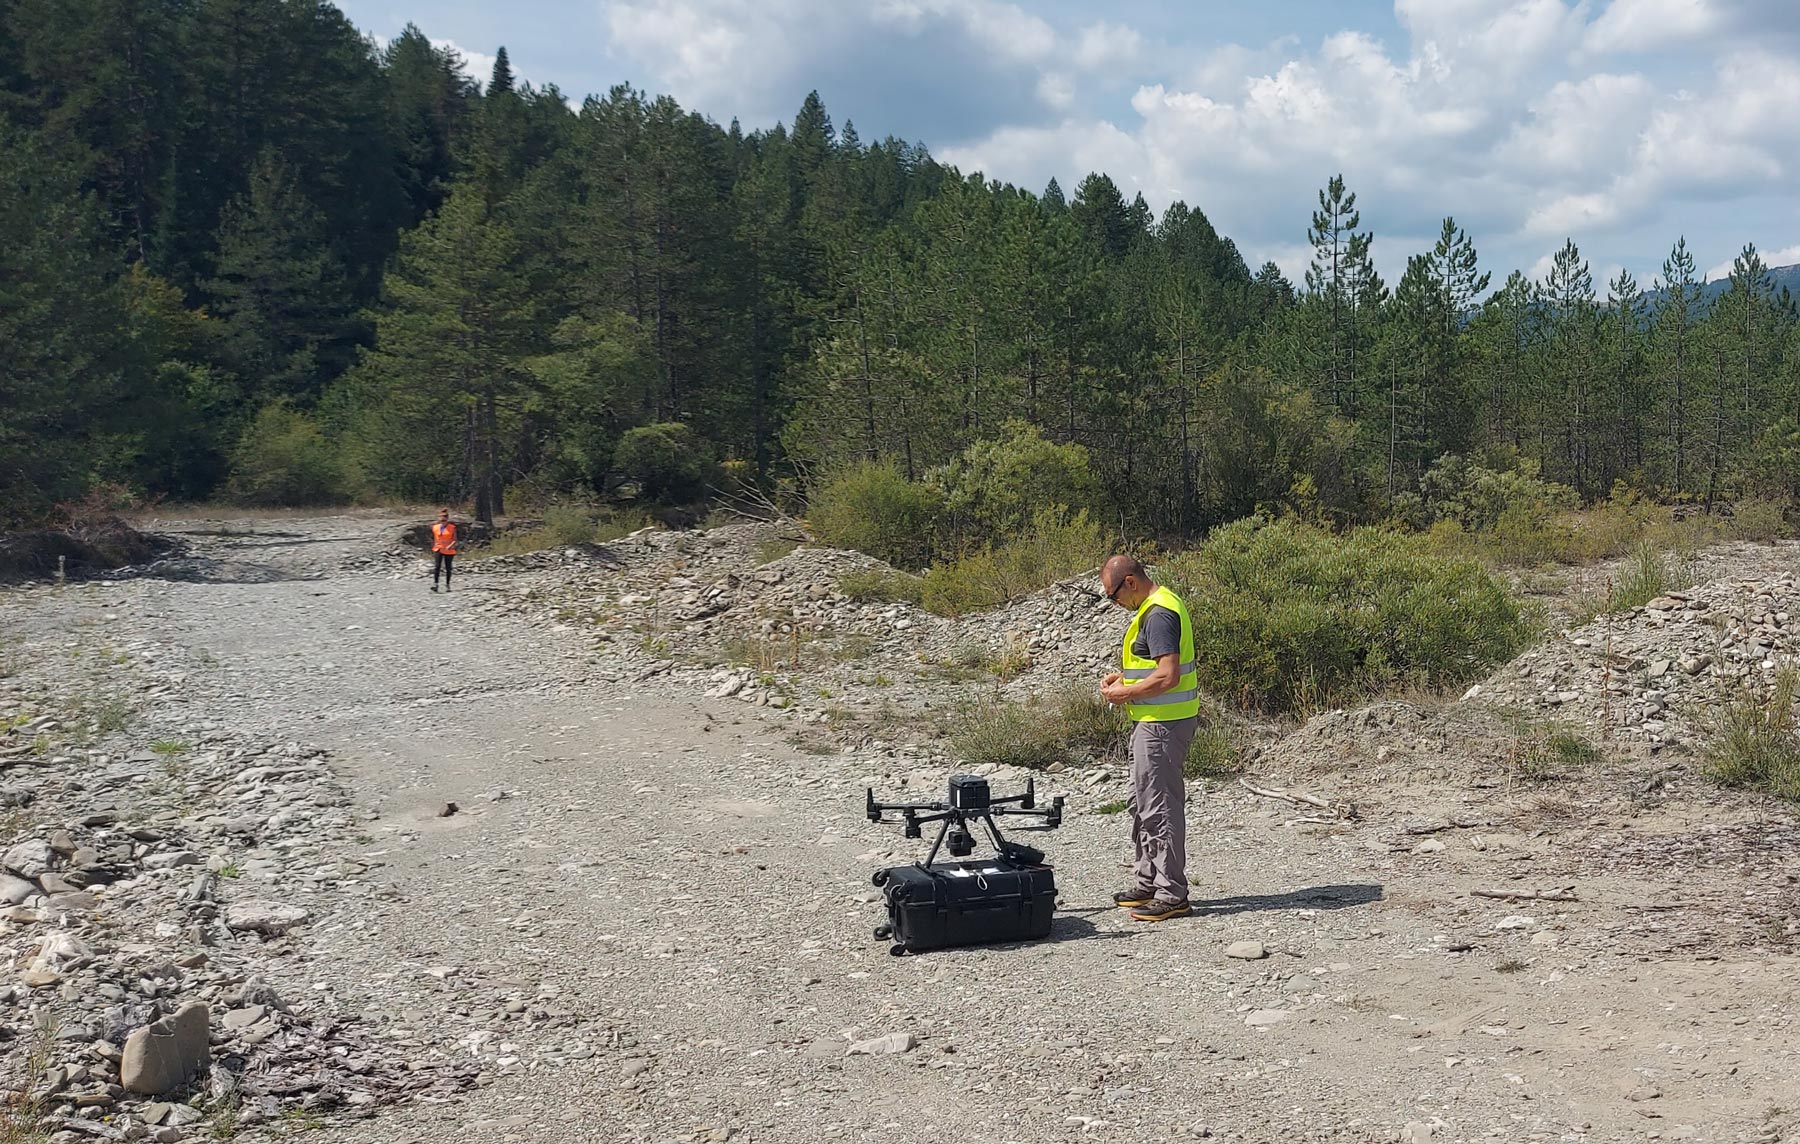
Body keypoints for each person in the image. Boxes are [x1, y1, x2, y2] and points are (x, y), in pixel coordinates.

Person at [1098, 554, 1200, 922]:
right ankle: (1149, 881)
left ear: (1130, 582)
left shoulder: (1158, 613)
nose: (1114, 603)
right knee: (1141, 803)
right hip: (1152, 722)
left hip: (1163, 725)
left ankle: (1172, 893)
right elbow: (1153, 670)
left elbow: (1168, 676)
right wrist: (1124, 680)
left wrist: (1125, 693)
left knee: (1160, 808)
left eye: (1113, 595)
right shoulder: (1153, 608)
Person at [429, 508, 458, 592]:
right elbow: (434, 538)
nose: (443, 521)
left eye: (444, 520)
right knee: (437, 566)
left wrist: (450, 546)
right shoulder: (435, 527)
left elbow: (455, 539)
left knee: (448, 568)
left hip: (449, 550)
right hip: (438, 548)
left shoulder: (452, 527)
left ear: (447, 519)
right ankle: (435, 584)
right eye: (441, 520)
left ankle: (447, 585)